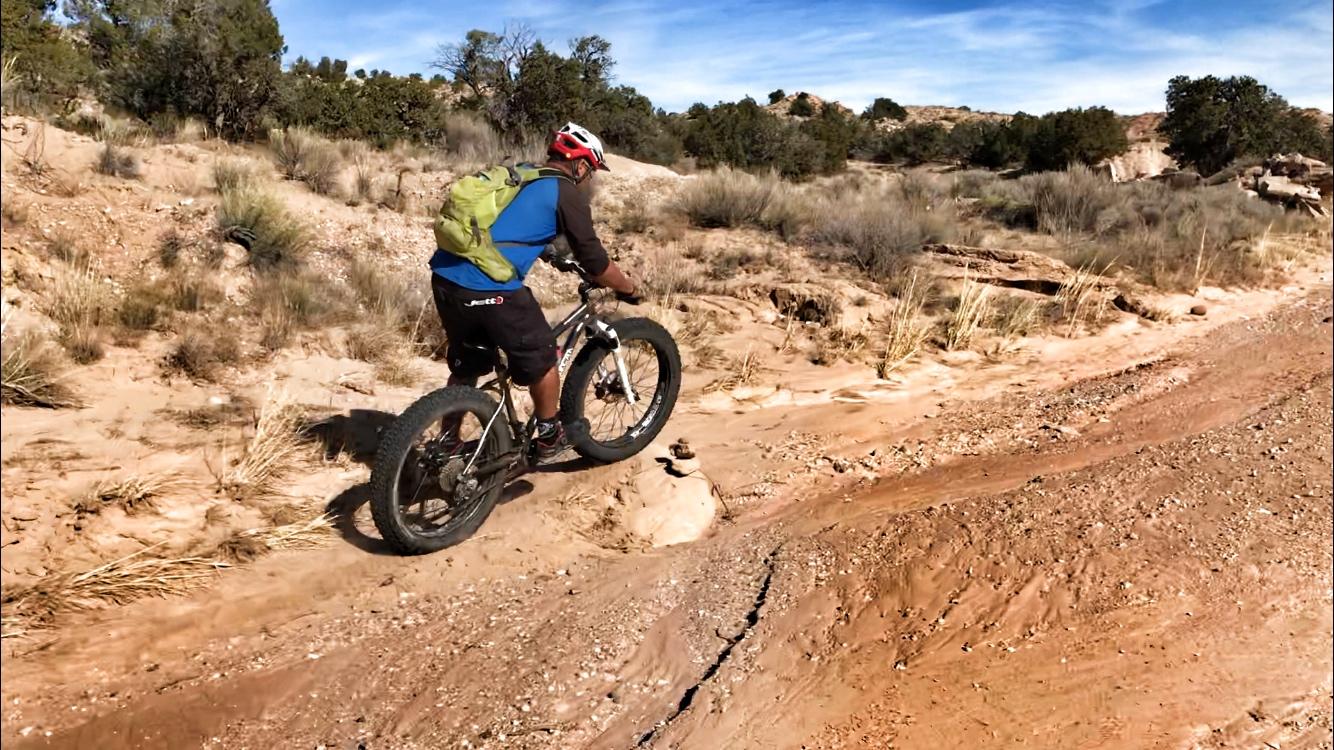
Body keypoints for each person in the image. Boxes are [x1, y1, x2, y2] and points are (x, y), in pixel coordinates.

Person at [429, 122, 639, 458]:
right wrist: (627, 288)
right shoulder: (567, 192)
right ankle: (547, 437)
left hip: (445, 277)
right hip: (490, 286)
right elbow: (597, 263)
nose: (591, 179)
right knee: (543, 361)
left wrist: (552, 255)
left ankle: (447, 442)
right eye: (592, 171)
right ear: (581, 165)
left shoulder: (524, 175)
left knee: (467, 365)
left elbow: (509, 227)